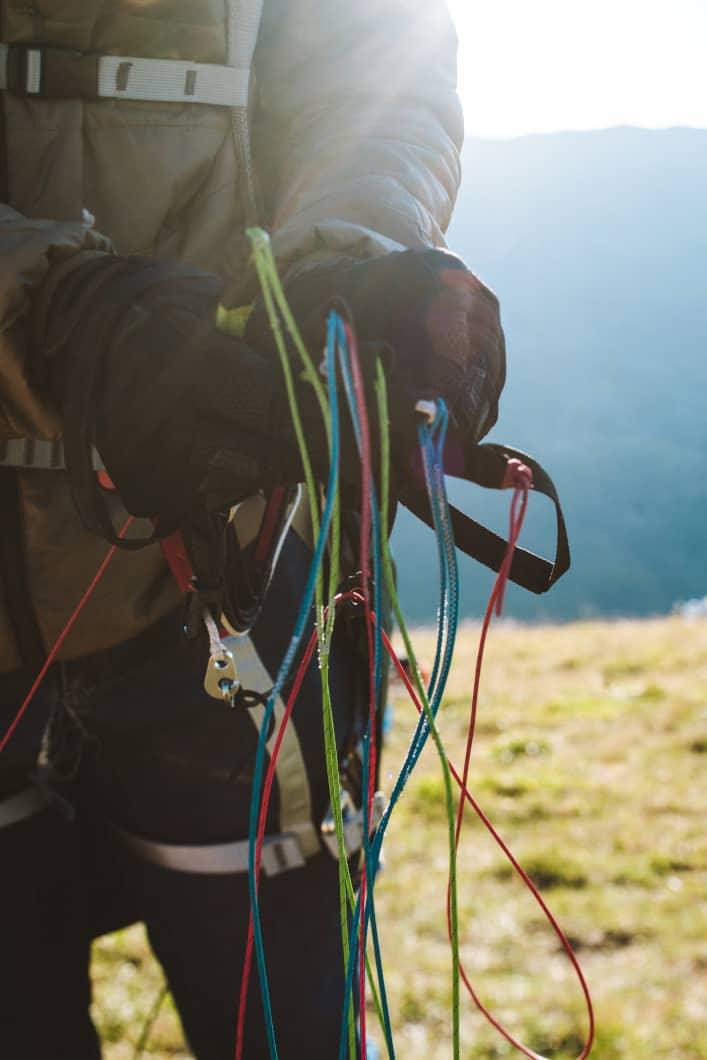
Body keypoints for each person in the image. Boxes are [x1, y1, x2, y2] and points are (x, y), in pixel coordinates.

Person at [0, 3, 506, 1057]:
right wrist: (49, 300)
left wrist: (351, 266)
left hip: (229, 568)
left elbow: (375, 68)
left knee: (278, 1020)